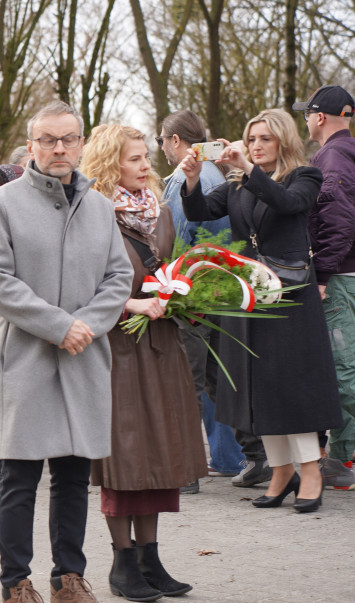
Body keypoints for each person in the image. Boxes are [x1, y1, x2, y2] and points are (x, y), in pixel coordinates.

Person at [0, 101, 133, 603]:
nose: (59, 149)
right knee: (19, 476)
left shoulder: (99, 208)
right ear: (31, 144)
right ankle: (15, 591)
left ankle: (69, 582)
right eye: (48, 140)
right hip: (27, 358)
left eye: (68, 139)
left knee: (72, 475)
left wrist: (86, 324)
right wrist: (57, 325)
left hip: (84, 356)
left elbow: (118, 278)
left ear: (82, 143)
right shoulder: (2, 204)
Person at [181, 108, 343, 513]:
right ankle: (280, 470)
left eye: (264, 139)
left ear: (283, 141)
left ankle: (311, 469)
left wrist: (248, 169)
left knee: (293, 385)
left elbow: (288, 204)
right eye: (251, 139)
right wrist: (192, 179)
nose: (255, 146)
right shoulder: (238, 183)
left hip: (290, 295)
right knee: (256, 385)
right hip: (247, 293)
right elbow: (199, 212)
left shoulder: (305, 176)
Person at [80, 124, 206, 602]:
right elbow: (81, 290)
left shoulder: (162, 212)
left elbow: (169, 271)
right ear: (112, 163)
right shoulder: (94, 216)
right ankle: (122, 563)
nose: (146, 166)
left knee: (160, 455)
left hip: (160, 347)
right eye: (135, 159)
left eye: (145, 158)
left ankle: (151, 557)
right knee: (125, 457)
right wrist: (130, 306)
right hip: (118, 351)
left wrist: (185, 296)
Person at [159, 110, 262, 491]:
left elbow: (186, 237)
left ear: (174, 140)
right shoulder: (215, 174)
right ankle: (249, 457)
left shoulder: (197, 177)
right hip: (219, 288)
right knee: (222, 378)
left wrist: (173, 285)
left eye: (161, 140)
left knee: (188, 379)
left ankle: (187, 468)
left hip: (196, 289)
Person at [295, 84, 355, 492]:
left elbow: (339, 220)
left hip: (343, 279)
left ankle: (338, 457)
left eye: (308, 114)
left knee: (341, 378)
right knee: (348, 371)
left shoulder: (333, 156)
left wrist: (321, 274)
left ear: (320, 117)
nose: (305, 120)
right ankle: (339, 459)